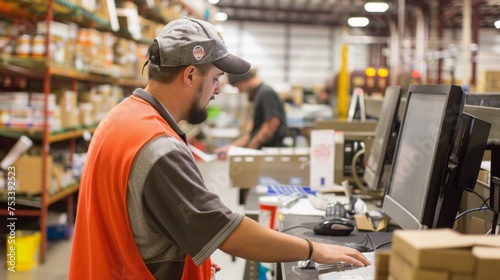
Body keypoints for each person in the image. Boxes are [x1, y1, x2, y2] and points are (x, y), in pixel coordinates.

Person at [68, 17, 370, 280]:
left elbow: (141, 224)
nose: (218, 90)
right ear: (189, 76)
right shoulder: (158, 147)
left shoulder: (122, 118)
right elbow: (228, 232)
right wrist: (314, 249)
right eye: (215, 79)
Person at [214, 69, 288, 159]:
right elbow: (251, 134)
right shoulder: (259, 93)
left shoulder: (265, 93)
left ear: (243, 81)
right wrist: (230, 148)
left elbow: (272, 122)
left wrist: (251, 149)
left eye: (238, 87)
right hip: (263, 153)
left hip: (269, 153)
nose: (240, 91)